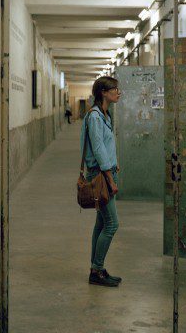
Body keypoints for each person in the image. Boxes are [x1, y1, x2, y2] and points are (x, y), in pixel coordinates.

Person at [80, 76, 122, 287]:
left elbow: (106, 145)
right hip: (100, 176)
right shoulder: (95, 116)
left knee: (101, 222)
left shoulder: (105, 115)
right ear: (103, 93)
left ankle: (97, 268)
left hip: (106, 172)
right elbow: (97, 149)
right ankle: (96, 270)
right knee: (112, 224)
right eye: (114, 89)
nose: (118, 92)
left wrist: (114, 164)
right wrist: (109, 177)